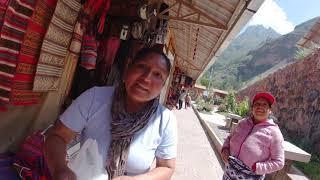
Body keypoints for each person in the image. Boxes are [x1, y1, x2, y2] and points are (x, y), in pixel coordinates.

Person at [44, 48, 177, 180]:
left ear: (163, 85)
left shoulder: (165, 120)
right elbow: (58, 136)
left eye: (157, 75)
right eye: (141, 67)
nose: (146, 78)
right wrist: (59, 168)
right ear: (128, 69)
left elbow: (167, 167)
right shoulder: (94, 98)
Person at [221, 92, 284, 179]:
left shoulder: (274, 133)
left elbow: (279, 162)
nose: (260, 107)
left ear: (270, 110)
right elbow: (229, 138)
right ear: (252, 108)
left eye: (264, 104)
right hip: (229, 173)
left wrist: (258, 168)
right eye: (257, 104)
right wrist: (225, 148)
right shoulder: (242, 123)